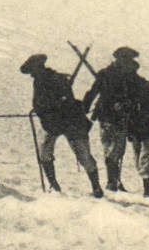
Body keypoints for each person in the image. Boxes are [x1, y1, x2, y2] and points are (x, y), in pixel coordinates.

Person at [83, 47, 149, 196]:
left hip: (126, 120)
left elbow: (141, 94)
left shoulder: (131, 77)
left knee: (118, 152)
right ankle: (112, 183)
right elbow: (92, 93)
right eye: (127, 61)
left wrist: (140, 94)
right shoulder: (107, 75)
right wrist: (84, 109)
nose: (130, 64)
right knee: (113, 150)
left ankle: (114, 183)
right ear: (120, 60)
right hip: (109, 118)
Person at [21, 53, 101, 197]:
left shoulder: (55, 79)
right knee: (45, 151)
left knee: (82, 155)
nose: (32, 75)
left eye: (33, 71)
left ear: (39, 68)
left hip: (68, 121)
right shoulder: (43, 80)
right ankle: (55, 185)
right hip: (53, 123)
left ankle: (96, 187)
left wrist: (48, 106)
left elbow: (65, 100)